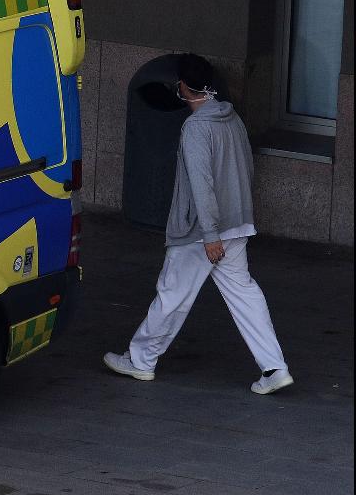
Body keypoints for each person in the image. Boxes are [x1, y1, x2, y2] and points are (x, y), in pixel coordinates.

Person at [103, 54, 292, 395]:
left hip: (201, 232)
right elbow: (246, 167)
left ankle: (141, 360)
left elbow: (201, 184)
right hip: (237, 225)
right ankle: (274, 367)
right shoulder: (232, 119)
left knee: (172, 294)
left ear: (184, 88)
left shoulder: (195, 128)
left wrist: (209, 234)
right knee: (245, 295)